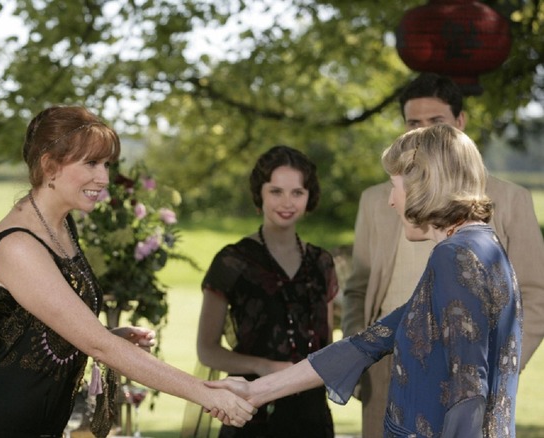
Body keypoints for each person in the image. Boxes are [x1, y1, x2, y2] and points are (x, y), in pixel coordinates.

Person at [0, 105, 255, 437]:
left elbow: (50, 326)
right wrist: (207, 392)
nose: (103, 178)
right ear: (49, 166)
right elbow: (99, 346)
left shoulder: (60, 226)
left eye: (106, 164)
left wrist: (105, 337)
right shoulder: (18, 246)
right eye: (90, 163)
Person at [209, 123, 522, 437]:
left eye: (394, 185)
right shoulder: (482, 246)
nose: (391, 200)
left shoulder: (454, 256)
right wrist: (256, 391)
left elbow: (469, 393)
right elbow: (369, 342)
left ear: (422, 184)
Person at [341, 73, 544, 437]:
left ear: (459, 124)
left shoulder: (509, 200)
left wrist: (506, 365)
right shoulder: (377, 198)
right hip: (385, 362)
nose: (420, 134)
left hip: (469, 368)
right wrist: (357, 364)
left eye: (434, 123)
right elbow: (357, 289)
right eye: (413, 123)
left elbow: (535, 291)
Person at [194, 145, 338, 438]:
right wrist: (263, 366)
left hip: (312, 417)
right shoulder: (232, 262)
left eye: (297, 192)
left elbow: (326, 347)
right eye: (276, 191)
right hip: (249, 414)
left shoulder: (322, 262)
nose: (287, 202)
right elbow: (206, 351)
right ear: (259, 194)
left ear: (310, 196)